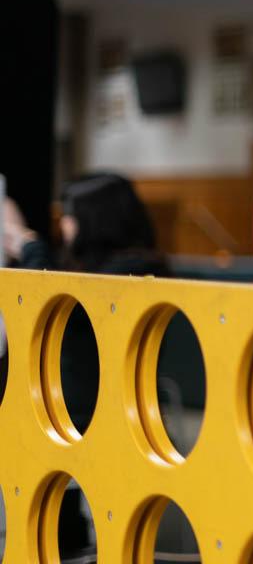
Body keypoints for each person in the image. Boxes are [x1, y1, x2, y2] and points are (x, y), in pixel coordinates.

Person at [3, 172, 169, 558]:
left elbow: (56, 302)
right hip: (92, 405)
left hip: (96, 410)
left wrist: (29, 246)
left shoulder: (128, 271)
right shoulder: (122, 263)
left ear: (95, 218)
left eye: (70, 215)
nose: (64, 224)